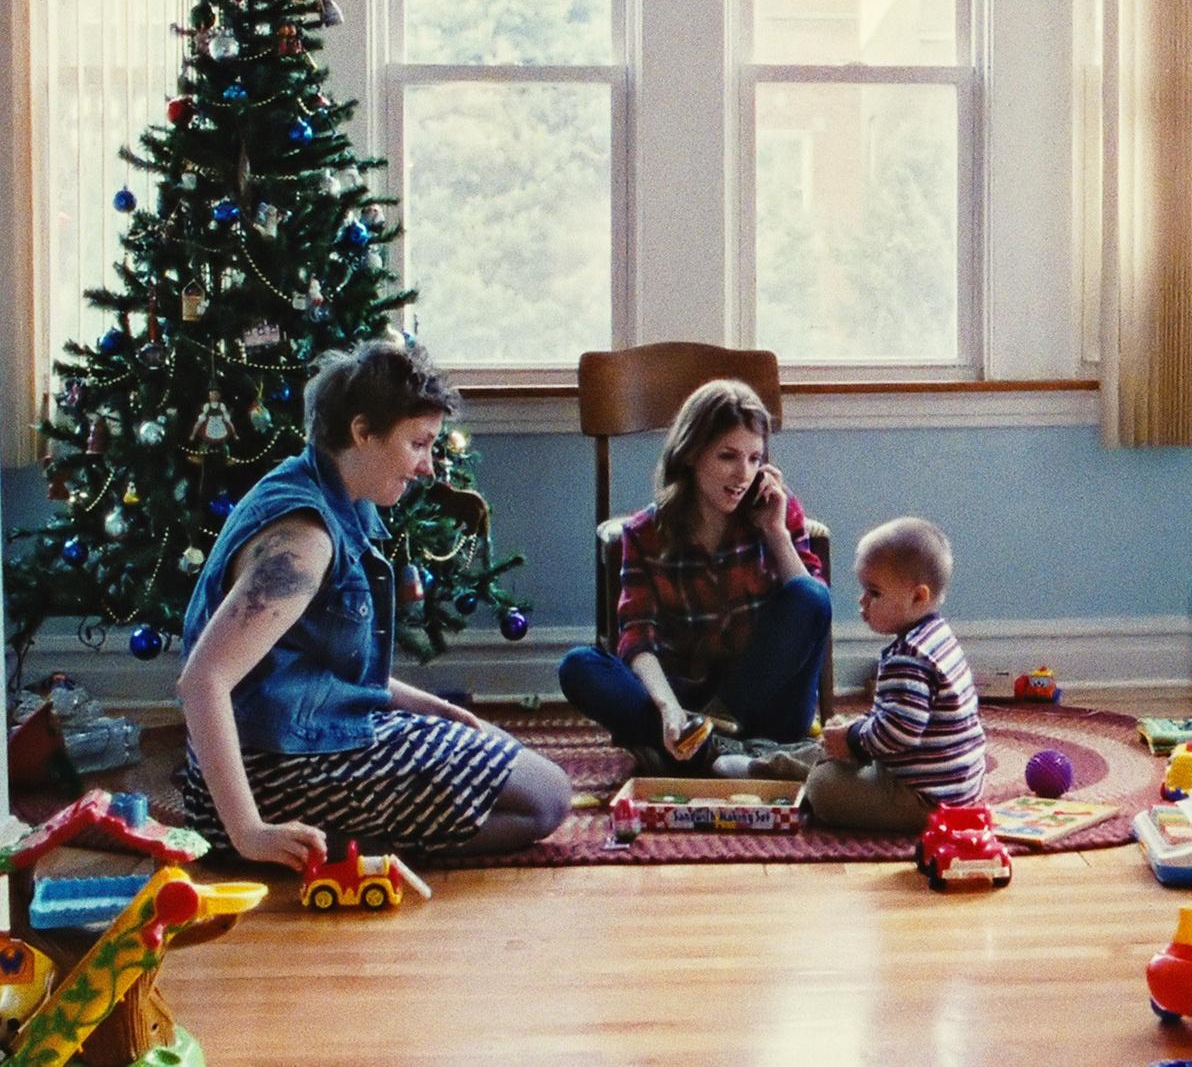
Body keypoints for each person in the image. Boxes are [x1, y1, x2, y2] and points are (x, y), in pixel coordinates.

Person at [176, 340, 571, 870]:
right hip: (275, 767)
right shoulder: (304, 540)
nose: (428, 467)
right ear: (362, 432)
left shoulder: (329, 491)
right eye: (417, 444)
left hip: (305, 735)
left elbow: (308, 668)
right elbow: (203, 680)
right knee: (546, 799)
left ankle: (349, 834)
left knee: (511, 758)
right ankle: (328, 848)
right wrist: (249, 831)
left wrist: (430, 707)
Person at [557, 379, 832, 772]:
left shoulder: (776, 511)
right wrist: (669, 710)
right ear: (690, 453)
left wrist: (775, 533)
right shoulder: (645, 533)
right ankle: (715, 751)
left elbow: (813, 611)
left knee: (811, 595)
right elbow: (638, 636)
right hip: (687, 700)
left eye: (755, 459)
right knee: (580, 666)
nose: (743, 474)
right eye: (727, 456)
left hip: (769, 707)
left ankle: (693, 751)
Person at [802, 517, 986, 833]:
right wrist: (855, 733)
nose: (862, 601)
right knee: (833, 748)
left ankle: (795, 773)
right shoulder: (936, 635)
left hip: (925, 800)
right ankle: (786, 764)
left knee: (822, 785)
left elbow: (900, 732)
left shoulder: (909, 658)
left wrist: (854, 740)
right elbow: (899, 718)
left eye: (874, 592)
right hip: (957, 788)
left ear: (918, 597)